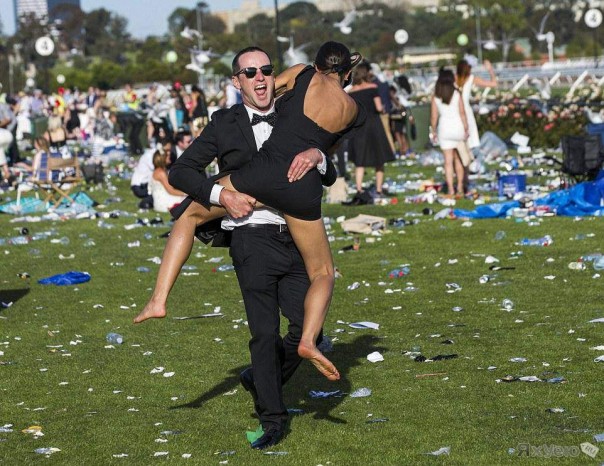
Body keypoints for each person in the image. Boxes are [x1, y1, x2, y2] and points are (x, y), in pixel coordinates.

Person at [134, 43, 361, 448]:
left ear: (276, 75)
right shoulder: (225, 123)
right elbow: (181, 171)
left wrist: (318, 156)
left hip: (293, 228)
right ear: (236, 82)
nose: (260, 78)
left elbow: (328, 165)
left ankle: (261, 376)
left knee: (304, 327)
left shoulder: (295, 94)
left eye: (266, 71)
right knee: (264, 331)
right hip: (252, 234)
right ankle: (272, 418)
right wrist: (223, 196)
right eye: (250, 73)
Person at [347, 61, 395, 196]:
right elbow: (379, 107)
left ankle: (359, 189)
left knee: (359, 160)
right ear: (366, 74)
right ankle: (379, 189)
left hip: (359, 126)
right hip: (374, 124)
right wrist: (383, 109)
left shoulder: (351, 92)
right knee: (379, 158)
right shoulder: (373, 87)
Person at [430, 68, 469, 198]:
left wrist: (433, 130)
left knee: (448, 162)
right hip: (457, 128)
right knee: (458, 160)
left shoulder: (436, 96)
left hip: (444, 129)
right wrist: (466, 128)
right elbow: (462, 113)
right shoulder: (456, 94)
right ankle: (460, 187)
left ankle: (451, 189)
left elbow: (434, 116)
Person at [456, 59, 497, 151]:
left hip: (454, 111)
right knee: (470, 141)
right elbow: (494, 84)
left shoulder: (453, 79)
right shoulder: (471, 78)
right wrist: (490, 69)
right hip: (466, 111)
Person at [149, 144, 186, 213]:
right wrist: (186, 194)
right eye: (168, 156)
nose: (170, 157)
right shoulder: (161, 173)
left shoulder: (160, 170)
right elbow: (170, 190)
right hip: (164, 202)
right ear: (163, 158)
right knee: (188, 200)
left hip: (162, 199)